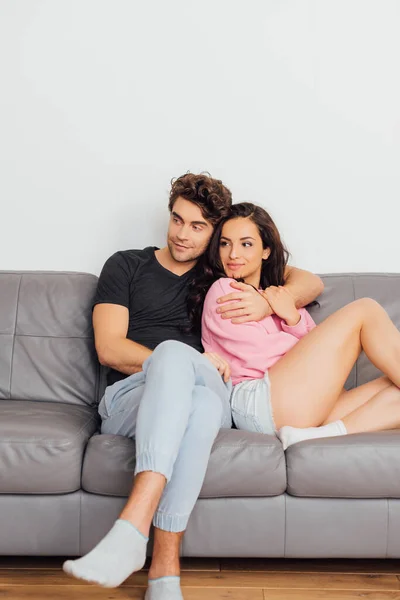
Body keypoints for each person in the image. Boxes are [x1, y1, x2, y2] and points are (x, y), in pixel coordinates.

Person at [63, 175, 324, 598]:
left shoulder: (221, 269)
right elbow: (109, 348)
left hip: (211, 387)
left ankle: (132, 532)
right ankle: (164, 575)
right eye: (177, 220)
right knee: (182, 373)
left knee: (200, 394)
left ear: (216, 233)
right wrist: (182, 358)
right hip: (131, 396)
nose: (183, 234)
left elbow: (309, 281)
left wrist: (267, 300)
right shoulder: (126, 264)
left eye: (199, 226)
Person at [198, 202, 400, 450]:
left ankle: (318, 436)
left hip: (299, 404)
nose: (233, 255)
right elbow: (264, 358)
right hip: (259, 401)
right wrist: (291, 321)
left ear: (266, 251)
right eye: (225, 243)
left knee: (394, 388)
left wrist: (290, 317)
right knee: (366, 309)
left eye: (246, 244)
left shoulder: (278, 296)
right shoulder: (224, 290)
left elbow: (315, 352)